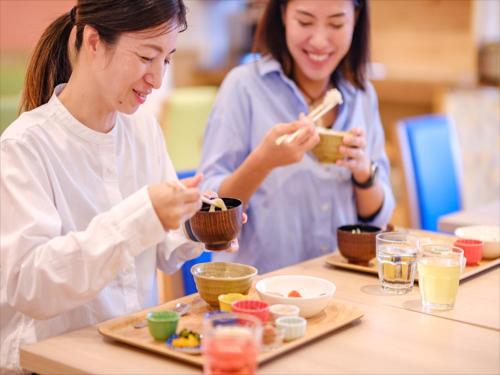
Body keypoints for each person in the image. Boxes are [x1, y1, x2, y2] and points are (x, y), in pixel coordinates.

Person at [0, 1, 237, 372]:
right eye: (146, 56)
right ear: (94, 41)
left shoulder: (142, 131)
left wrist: (195, 223)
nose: (157, 79)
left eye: (167, 60)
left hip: (129, 351)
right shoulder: (25, 146)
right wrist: (143, 214)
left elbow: (161, 244)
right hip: (51, 363)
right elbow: (31, 286)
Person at [198, 0, 395, 273]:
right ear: (282, 14)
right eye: (304, 22)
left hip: (340, 287)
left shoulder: (361, 94)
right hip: (257, 294)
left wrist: (364, 173)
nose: (319, 40)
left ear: (356, 19)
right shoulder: (243, 87)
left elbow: (379, 216)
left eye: (336, 24)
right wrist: (263, 162)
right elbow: (209, 210)